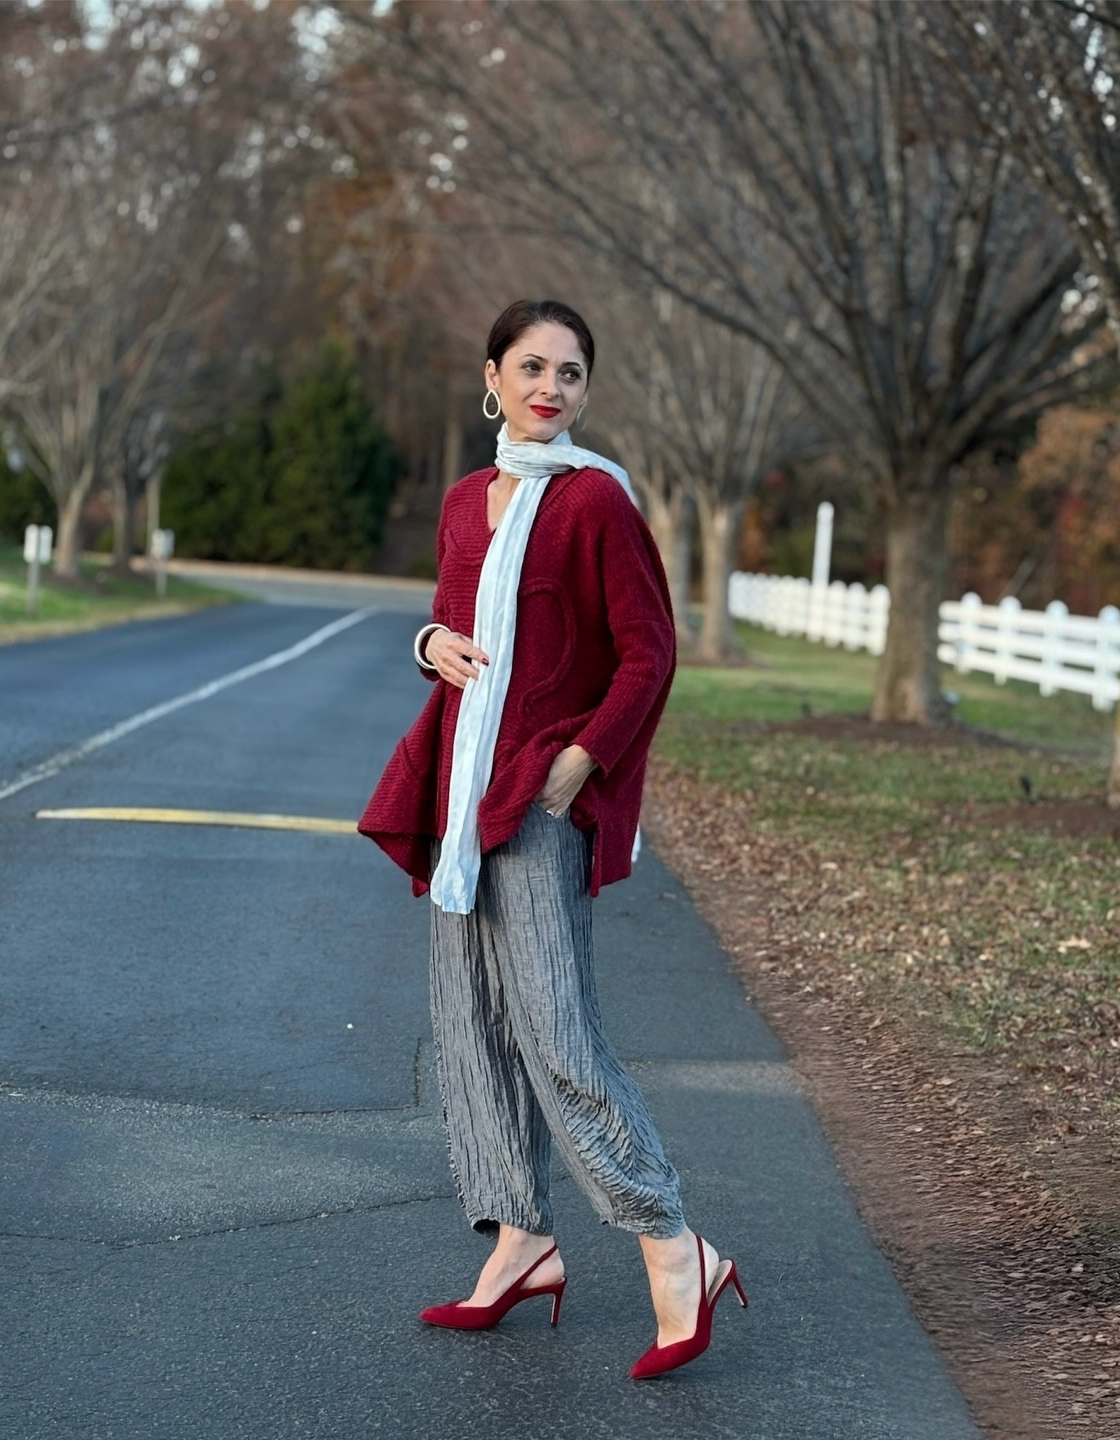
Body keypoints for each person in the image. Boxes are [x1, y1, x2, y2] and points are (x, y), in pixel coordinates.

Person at [358, 299, 746, 1380]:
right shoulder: (466, 500)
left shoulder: (595, 506)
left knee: (556, 1034)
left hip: (536, 800)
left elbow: (648, 655)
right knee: (469, 1025)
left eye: (571, 373)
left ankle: (673, 1243)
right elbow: (451, 624)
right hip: (462, 798)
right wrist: (430, 640)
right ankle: (518, 1241)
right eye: (532, 367)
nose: (551, 388)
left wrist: (581, 763)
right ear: (491, 376)